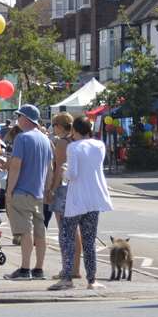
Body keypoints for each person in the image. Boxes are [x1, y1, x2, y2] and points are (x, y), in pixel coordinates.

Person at [53, 115, 115, 290]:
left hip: (77, 199)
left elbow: (72, 174)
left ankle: (66, 277)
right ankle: (92, 279)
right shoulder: (100, 145)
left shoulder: (73, 147)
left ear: (74, 130)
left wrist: (64, 171)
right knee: (89, 240)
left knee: (67, 236)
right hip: (95, 198)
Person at [3, 105, 52, 280]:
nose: (17, 120)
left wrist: (9, 190)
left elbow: (16, 165)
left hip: (22, 190)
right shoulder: (46, 140)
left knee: (25, 232)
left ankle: (24, 269)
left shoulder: (22, 138)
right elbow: (49, 168)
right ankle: (39, 269)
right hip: (38, 192)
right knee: (40, 232)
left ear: (25, 119)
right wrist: (47, 189)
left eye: (19, 116)